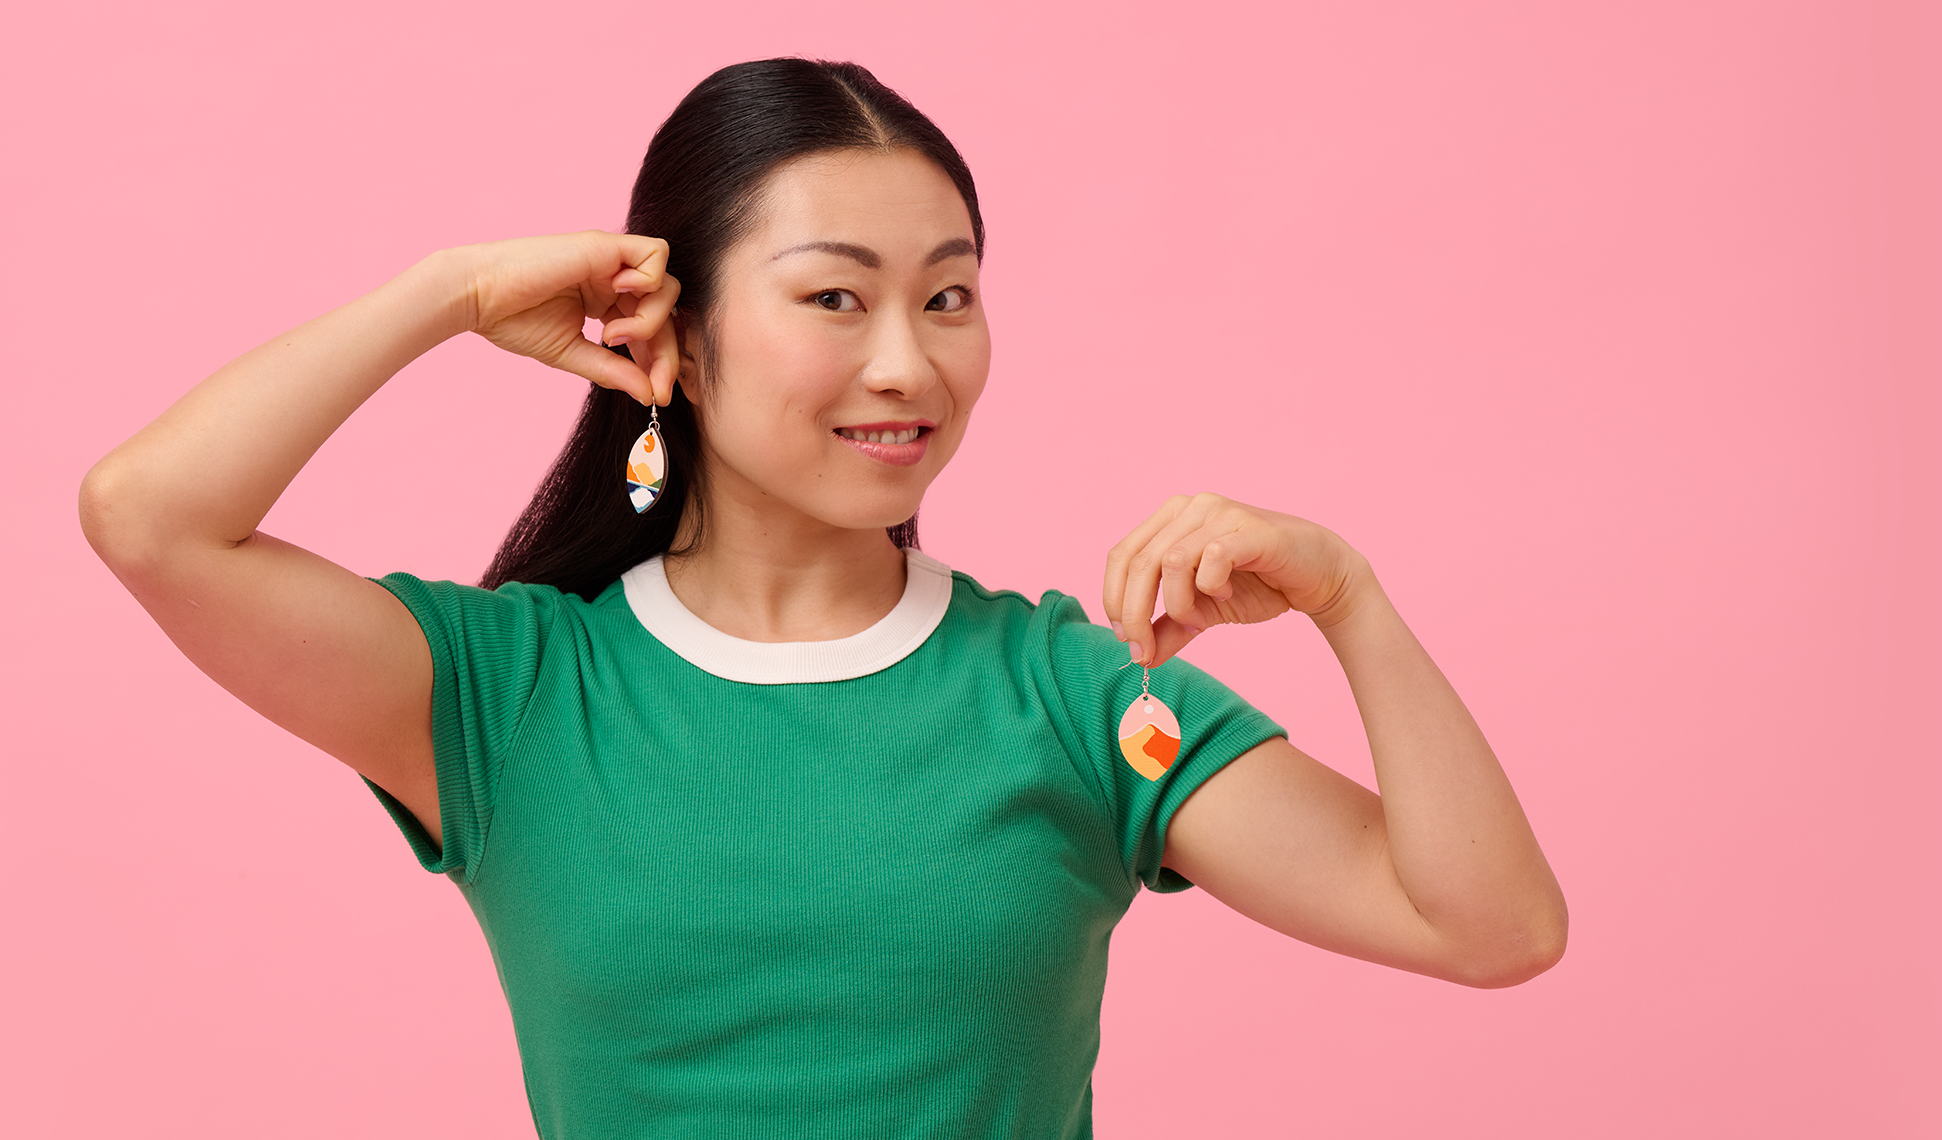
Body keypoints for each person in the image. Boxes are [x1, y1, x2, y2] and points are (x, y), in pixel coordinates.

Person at [80, 57, 1565, 1140]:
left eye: (949, 295)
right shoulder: (505, 694)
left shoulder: (1078, 694)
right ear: (685, 325)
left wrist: (1352, 603)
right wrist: (455, 291)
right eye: (835, 297)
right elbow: (150, 522)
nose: (909, 363)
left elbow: (1487, 927)